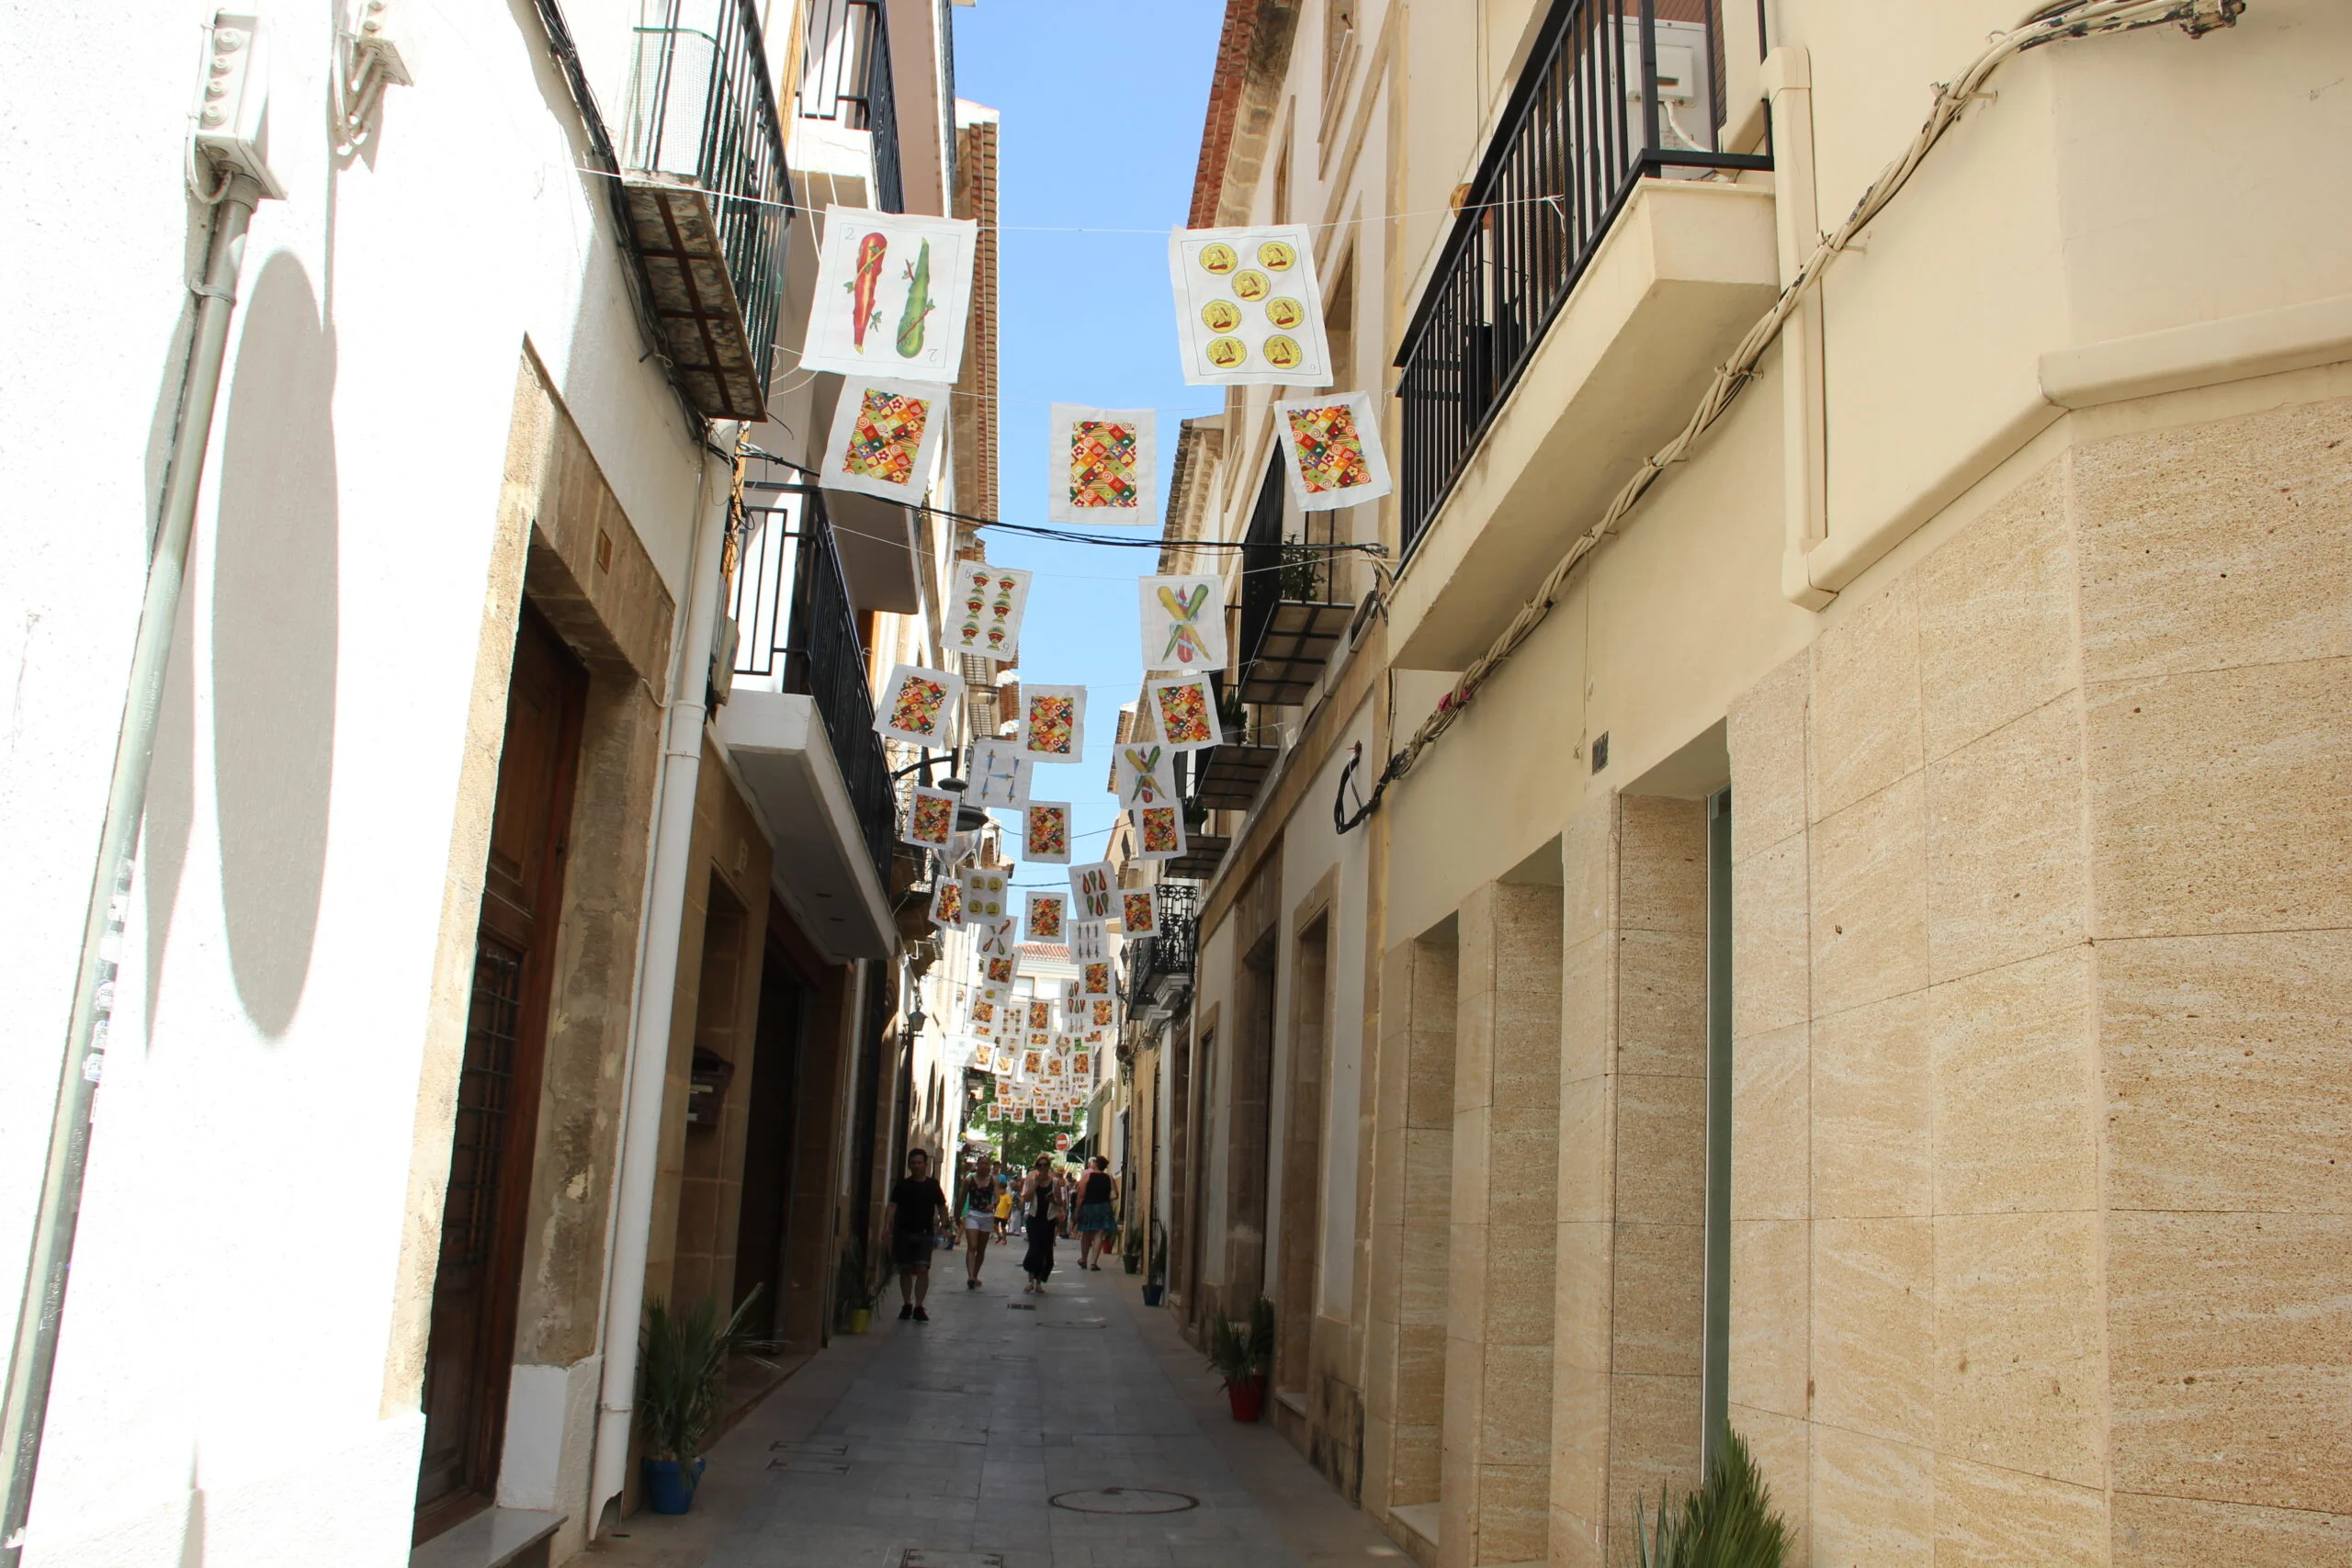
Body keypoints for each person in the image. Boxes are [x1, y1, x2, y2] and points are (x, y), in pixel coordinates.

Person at [881, 1148, 949, 1322]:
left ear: (925, 1165)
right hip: (904, 1232)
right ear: (909, 1165)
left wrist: (944, 1225)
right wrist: (887, 1225)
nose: (916, 1166)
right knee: (905, 1269)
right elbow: (892, 1206)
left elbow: (941, 1206)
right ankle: (906, 1303)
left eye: (919, 1163)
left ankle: (919, 1305)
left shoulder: (933, 1185)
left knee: (922, 1269)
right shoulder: (903, 1185)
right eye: (913, 1163)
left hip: (925, 1233)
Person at [1020, 1154, 1059, 1292]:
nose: (1042, 1168)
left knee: (1045, 1251)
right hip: (1034, 1218)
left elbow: (1060, 1202)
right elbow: (1027, 1199)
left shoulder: (1054, 1182)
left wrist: (1053, 1200)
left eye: (1045, 1165)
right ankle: (1031, 1281)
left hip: (1048, 1220)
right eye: (1039, 1165)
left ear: (1048, 1167)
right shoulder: (1032, 1180)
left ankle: (1039, 1283)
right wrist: (1036, 1183)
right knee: (1034, 1249)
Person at [959, 1151, 998, 1288]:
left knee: (981, 1249)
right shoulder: (970, 1180)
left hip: (986, 1216)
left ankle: (975, 1276)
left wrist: (992, 1205)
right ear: (977, 1165)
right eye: (982, 1163)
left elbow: (997, 1198)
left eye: (987, 1164)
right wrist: (958, 1215)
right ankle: (970, 1276)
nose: (984, 1166)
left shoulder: (993, 1180)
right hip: (973, 1214)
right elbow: (963, 1197)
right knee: (972, 1245)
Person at [1074, 1155, 1118, 1270]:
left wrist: (1077, 1210)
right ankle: (1094, 1262)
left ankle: (1084, 1259)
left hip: (1089, 1206)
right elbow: (1116, 1194)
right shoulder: (1109, 1177)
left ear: (1096, 1164)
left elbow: (1081, 1194)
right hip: (1103, 1207)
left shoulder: (1088, 1177)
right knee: (1099, 1234)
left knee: (1086, 1234)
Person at [994, 1172, 1012, 1239]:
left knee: (1003, 1227)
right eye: (999, 1189)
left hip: (1004, 1215)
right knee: (995, 1225)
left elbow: (1010, 1204)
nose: (1000, 1191)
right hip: (997, 1214)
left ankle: (1004, 1238)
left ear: (1005, 1189)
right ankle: (999, 1235)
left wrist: (1008, 1213)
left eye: (1001, 1189)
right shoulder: (998, 1196)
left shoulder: (1007, 1196)